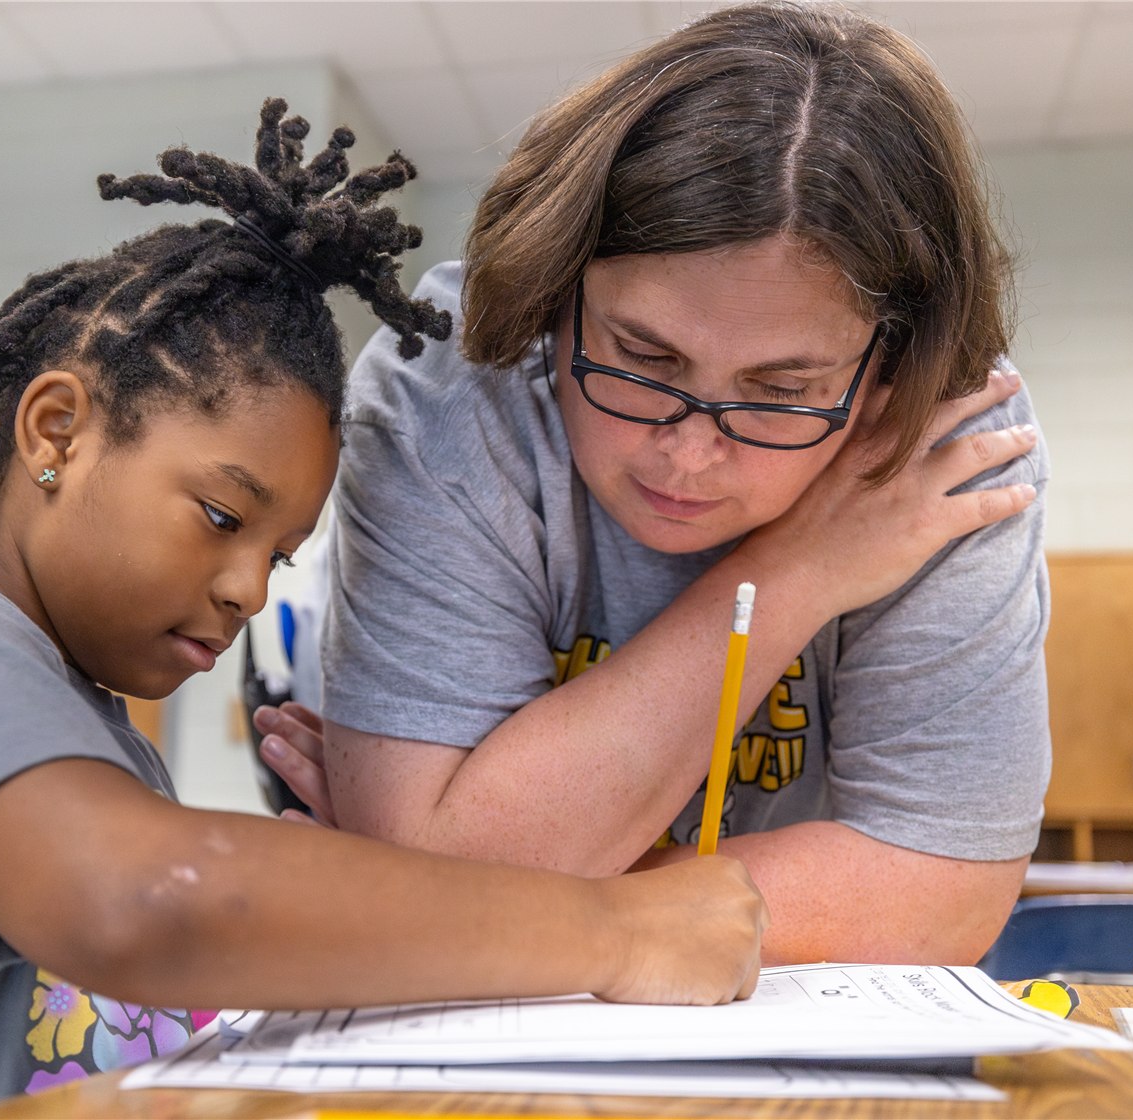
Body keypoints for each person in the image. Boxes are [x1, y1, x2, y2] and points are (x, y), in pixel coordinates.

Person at [0, 100, 767, 1120]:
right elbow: (143, 904)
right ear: (55, 432)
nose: (248, 588)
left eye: (280, 553)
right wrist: (612, 928)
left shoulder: (84, 723)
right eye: (222, 514)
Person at [255, 1, 1051, 968]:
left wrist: (506, 876)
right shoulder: (448, 376)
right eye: (642, 357)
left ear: (887, 368)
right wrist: (802, 568)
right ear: (557, 294)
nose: (685, 454)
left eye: (782, 391)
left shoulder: (944, 436)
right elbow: (433, 871)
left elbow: (947, 894)